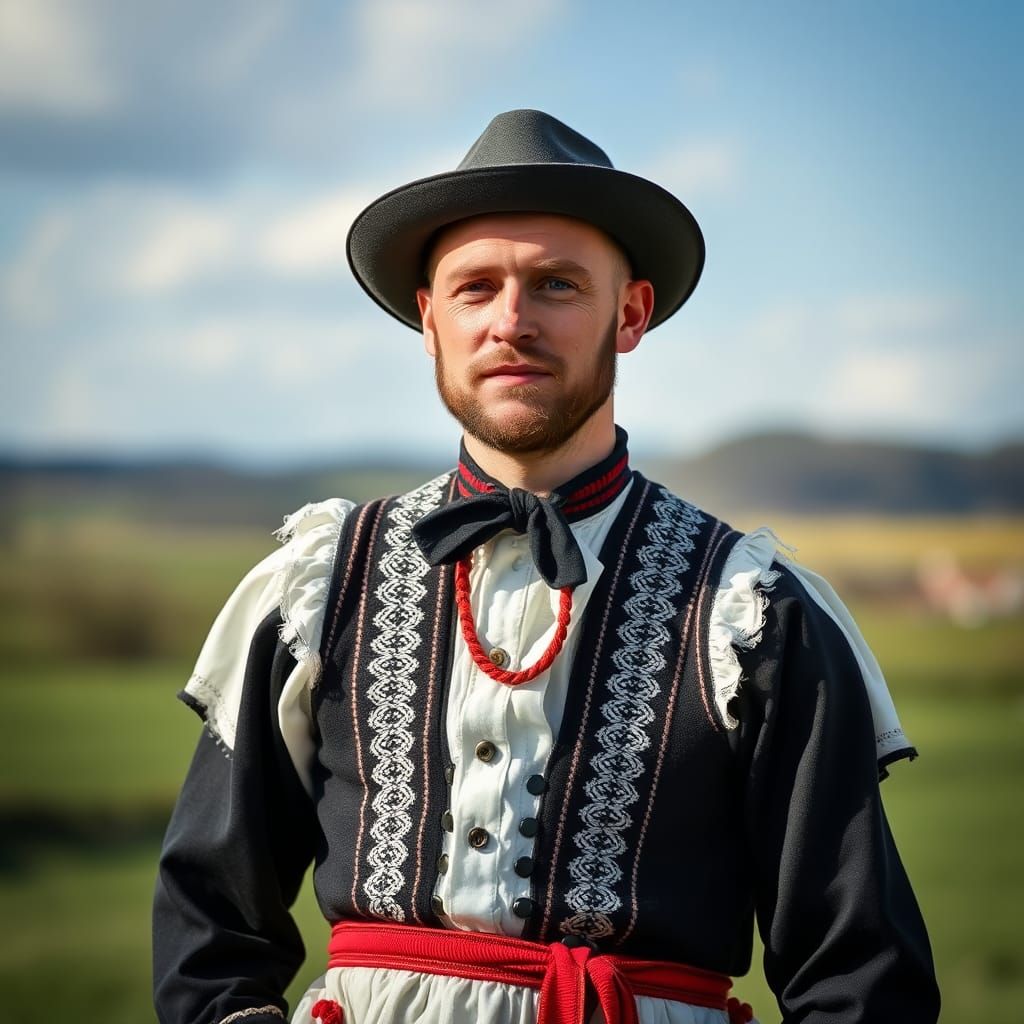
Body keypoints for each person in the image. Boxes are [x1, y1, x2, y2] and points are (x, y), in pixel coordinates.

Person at [153, 109, 939, 1024]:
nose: (511, 323)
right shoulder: (317, 584)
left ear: (630, 313)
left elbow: (859, 975)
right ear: (429, 320)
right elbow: (208, 927)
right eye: (475, 288)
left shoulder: (753, 612)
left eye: (557, 285)